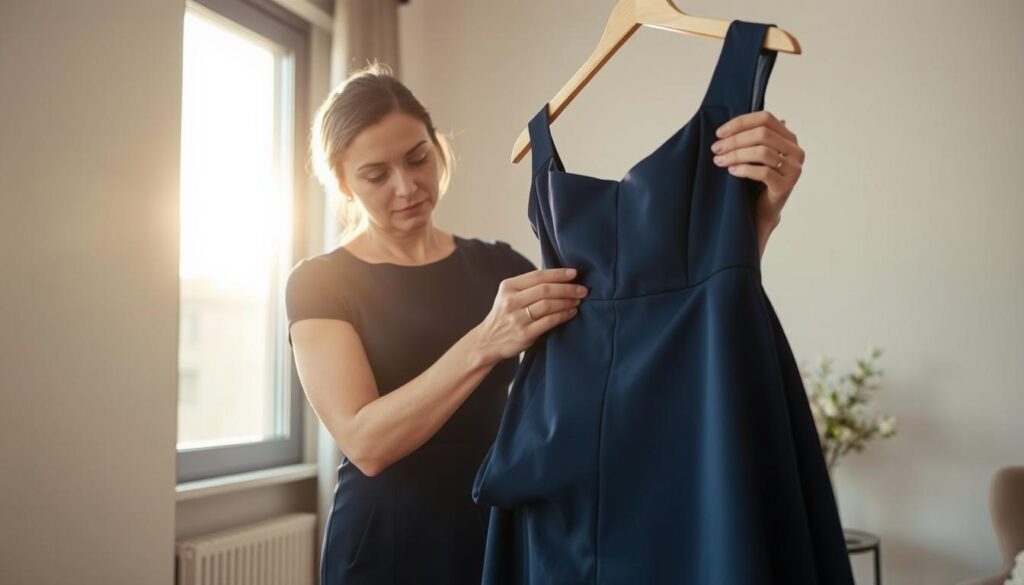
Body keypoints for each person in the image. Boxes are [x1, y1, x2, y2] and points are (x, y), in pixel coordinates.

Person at [286, 62, 804, 585]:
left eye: (418, 158)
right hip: (386, 546)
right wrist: (485, 343)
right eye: (376, 175)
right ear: (344, 184)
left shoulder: (499, 268)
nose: (407, 186)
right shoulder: (320, 283)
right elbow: (365, 443)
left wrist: (757, 217)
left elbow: (643, 323)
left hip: (500, 530)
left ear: (437, 147)